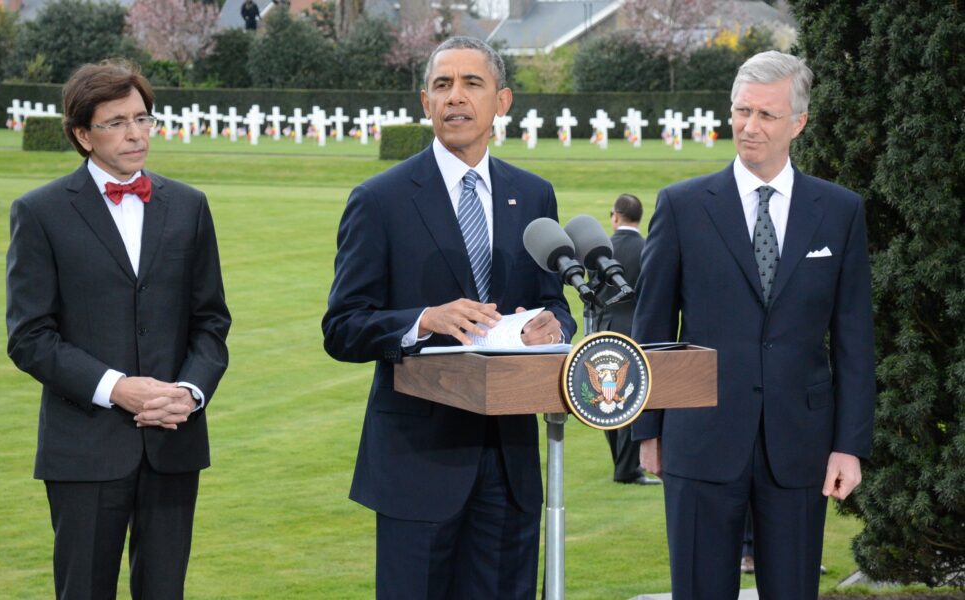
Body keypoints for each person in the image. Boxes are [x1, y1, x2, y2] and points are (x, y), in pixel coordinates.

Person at [322, 36, 576, 599]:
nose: (455, 97)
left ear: (502, 102)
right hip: (418, 463)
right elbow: (342, 327)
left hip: (509, 465)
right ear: (424, 101)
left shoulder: (533, 195)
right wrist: (423, 320)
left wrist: (556, 325)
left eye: (471, 84)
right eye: (442, 85)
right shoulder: (380, 199)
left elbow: (553, 301)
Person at [632, 50, 875, 599]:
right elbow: (651, 329)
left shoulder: (839, 211)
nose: (749, 126)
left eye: (766, 115)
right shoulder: (681, 206)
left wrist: (850, 445)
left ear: (799, 123)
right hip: (698, 441)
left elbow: (856, 338)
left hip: (800, 448)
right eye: (742, 111)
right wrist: (646, 431)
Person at [6, 60, 231, 600]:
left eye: (142, 118)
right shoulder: (40, 213)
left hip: (173, 442)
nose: (135, 133)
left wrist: (190, 392)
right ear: (82, 134)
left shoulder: (190, 206)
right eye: (116, 122)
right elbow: (29, 335)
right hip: (84, 447)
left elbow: (211, 322)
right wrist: (117, 389)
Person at [599, 194, 659, 486]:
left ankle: (622, 464)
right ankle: (626, 469)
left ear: (615, 216)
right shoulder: (647, 247)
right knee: (629, 400)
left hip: (603, 328)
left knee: (605, 399)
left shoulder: (601, 249)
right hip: (634, 330)